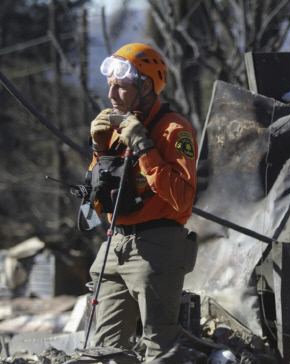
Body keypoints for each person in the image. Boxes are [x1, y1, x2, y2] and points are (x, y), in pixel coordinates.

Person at [88, 43, 198, 360]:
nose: (111, 95)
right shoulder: (111, 129)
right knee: (104, 352)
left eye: (121, 87)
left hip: (157, 246)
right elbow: (94, 207)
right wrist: (98, 152)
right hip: (113, 247)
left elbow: (182, 201)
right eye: (110, 86)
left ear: (145, 86)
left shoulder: (175, 130)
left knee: (160, 351)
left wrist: (143, 145)